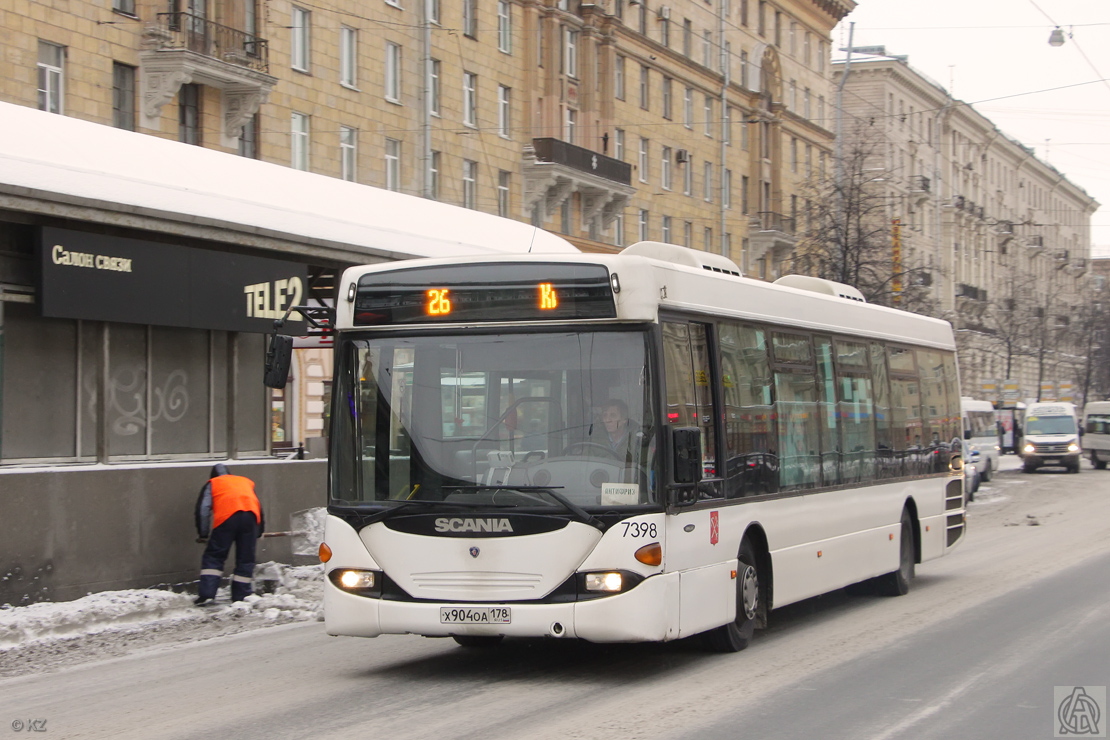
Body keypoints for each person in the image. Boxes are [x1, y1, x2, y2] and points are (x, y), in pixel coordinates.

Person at [194, 463, 265, 605]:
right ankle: (241, 595)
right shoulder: (244, 481)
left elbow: (203, 509)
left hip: (227, 519)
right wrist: (259, 531)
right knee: (246, 558)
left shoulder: (213, 483)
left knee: (215, 556)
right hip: (250, 518)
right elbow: (257, 505)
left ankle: (207, 594)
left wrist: (203, 533)